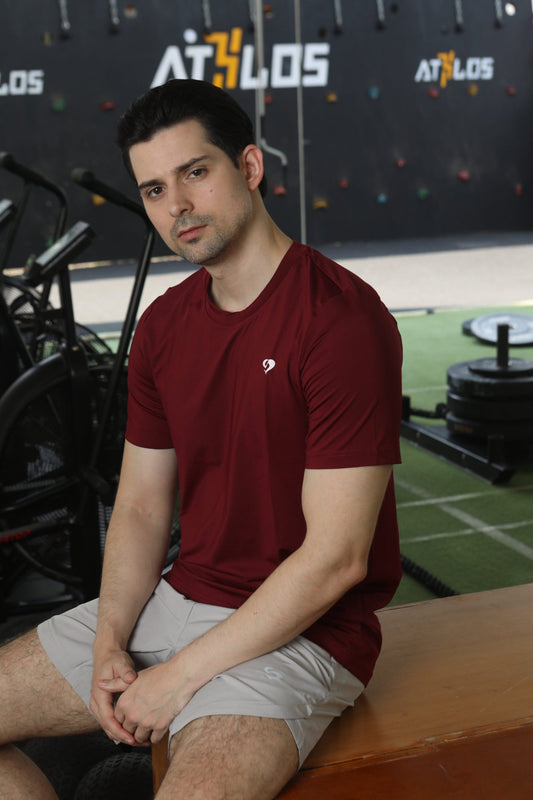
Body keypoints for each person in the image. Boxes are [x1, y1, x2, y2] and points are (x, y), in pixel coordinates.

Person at [0, 79, 403, 800]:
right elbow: (143, 507)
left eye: (194, 172)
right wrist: (109, 644)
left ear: (248, 167)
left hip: (302, 637)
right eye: (153, 190)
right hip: (176, 601)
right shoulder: (164, 326)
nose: (176, 207)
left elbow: (336, 559)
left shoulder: (340, 320)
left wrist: (177, 678)